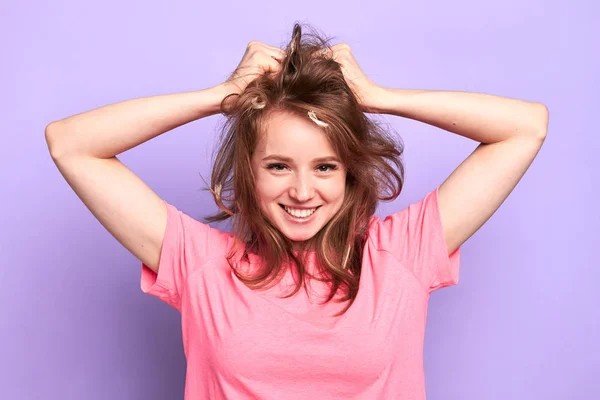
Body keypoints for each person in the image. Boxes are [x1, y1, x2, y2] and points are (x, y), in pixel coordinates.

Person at [45, 23, 549, 400]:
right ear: (249, 172)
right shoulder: (199, 264)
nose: (303, 191)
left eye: (326, 166)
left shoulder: (402, 253)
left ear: (350, 173)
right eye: (280, 166)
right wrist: (218, 98)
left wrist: (379, 99)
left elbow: (526, 126)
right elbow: (70, 143)